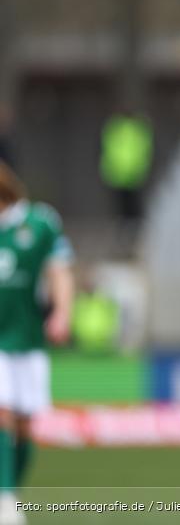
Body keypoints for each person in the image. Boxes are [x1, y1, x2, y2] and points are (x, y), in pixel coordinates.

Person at [0, 162, 74, 525]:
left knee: (25, 425)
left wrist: (62, 312)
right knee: (2, 413)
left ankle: (11, 491)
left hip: (28, 338)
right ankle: (3, 498)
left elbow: (59, 271)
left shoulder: (40, 223)